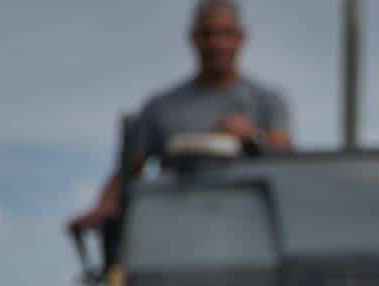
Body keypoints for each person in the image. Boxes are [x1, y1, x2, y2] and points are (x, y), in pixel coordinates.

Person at [67, 0, 293, 234]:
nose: (217, 43)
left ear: (241, 38)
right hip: (177, 232)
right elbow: (127, 172)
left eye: (226, 33)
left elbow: (287, 155)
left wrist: (253, 137)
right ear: (194, 38)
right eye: (208, 34)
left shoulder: (267, 101)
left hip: (250, 231)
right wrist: (103, 208)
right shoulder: (161, 107)